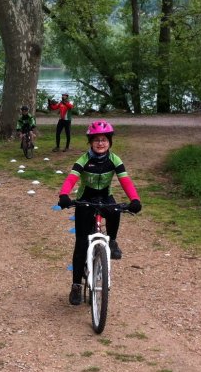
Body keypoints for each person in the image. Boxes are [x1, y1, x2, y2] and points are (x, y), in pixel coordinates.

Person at [56, 119, 142, 306]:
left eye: (104, 139)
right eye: (96, 140)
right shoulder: (84, 160)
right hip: (85, 198)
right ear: (90, 142)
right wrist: (64, 195)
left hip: (105, 196)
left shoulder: (115, 160)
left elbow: (125, 181)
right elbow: (71, 178)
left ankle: (111, 241)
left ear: (109, 141)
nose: (100, 143)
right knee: (80, 244)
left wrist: (135, 200)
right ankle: (77, 285)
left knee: (116, 209)